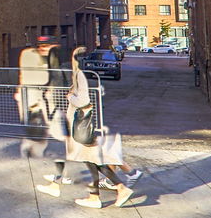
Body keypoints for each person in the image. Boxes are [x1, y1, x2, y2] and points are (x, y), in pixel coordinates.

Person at [36, 46, 138, 209]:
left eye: (73, 59)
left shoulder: (79, 75)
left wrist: (71, 97)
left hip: (80, 125)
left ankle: (112, 190)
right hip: (78, 124)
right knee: (88, 160)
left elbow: (83, 101)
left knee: (90, 161)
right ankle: (96, 193)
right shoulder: (78, 75)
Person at [15, 34, 68, 165]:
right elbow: (39, 78)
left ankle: (34, 155)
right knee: (37, 128)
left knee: (45, 130)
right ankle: (31, 157)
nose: (43, 49)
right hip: (31, 98)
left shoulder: (53, 58)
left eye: (47, 46)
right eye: (41, 46)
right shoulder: (29, 55)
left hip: (45, 99)